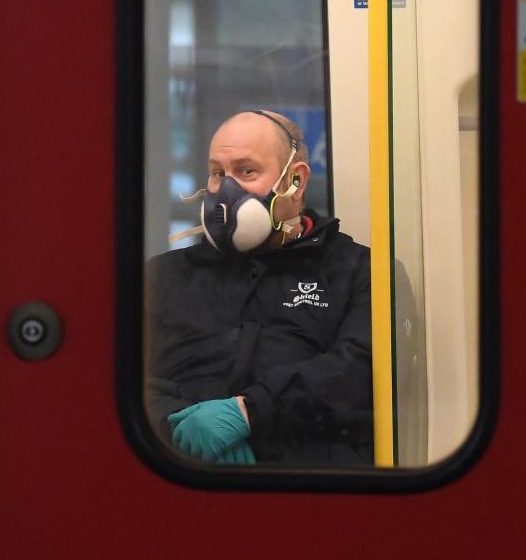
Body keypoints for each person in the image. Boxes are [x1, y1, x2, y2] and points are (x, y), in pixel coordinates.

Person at [145, 110, 373, 467]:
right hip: (178, 483)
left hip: (308, 493)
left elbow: (359, 370)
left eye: (246, 171)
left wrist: (249, 412)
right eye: (218, 173)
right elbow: (119, 374)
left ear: (295, 182)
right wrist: (177, 426)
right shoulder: (162, 277)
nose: (226, 190)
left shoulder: (358, 272)